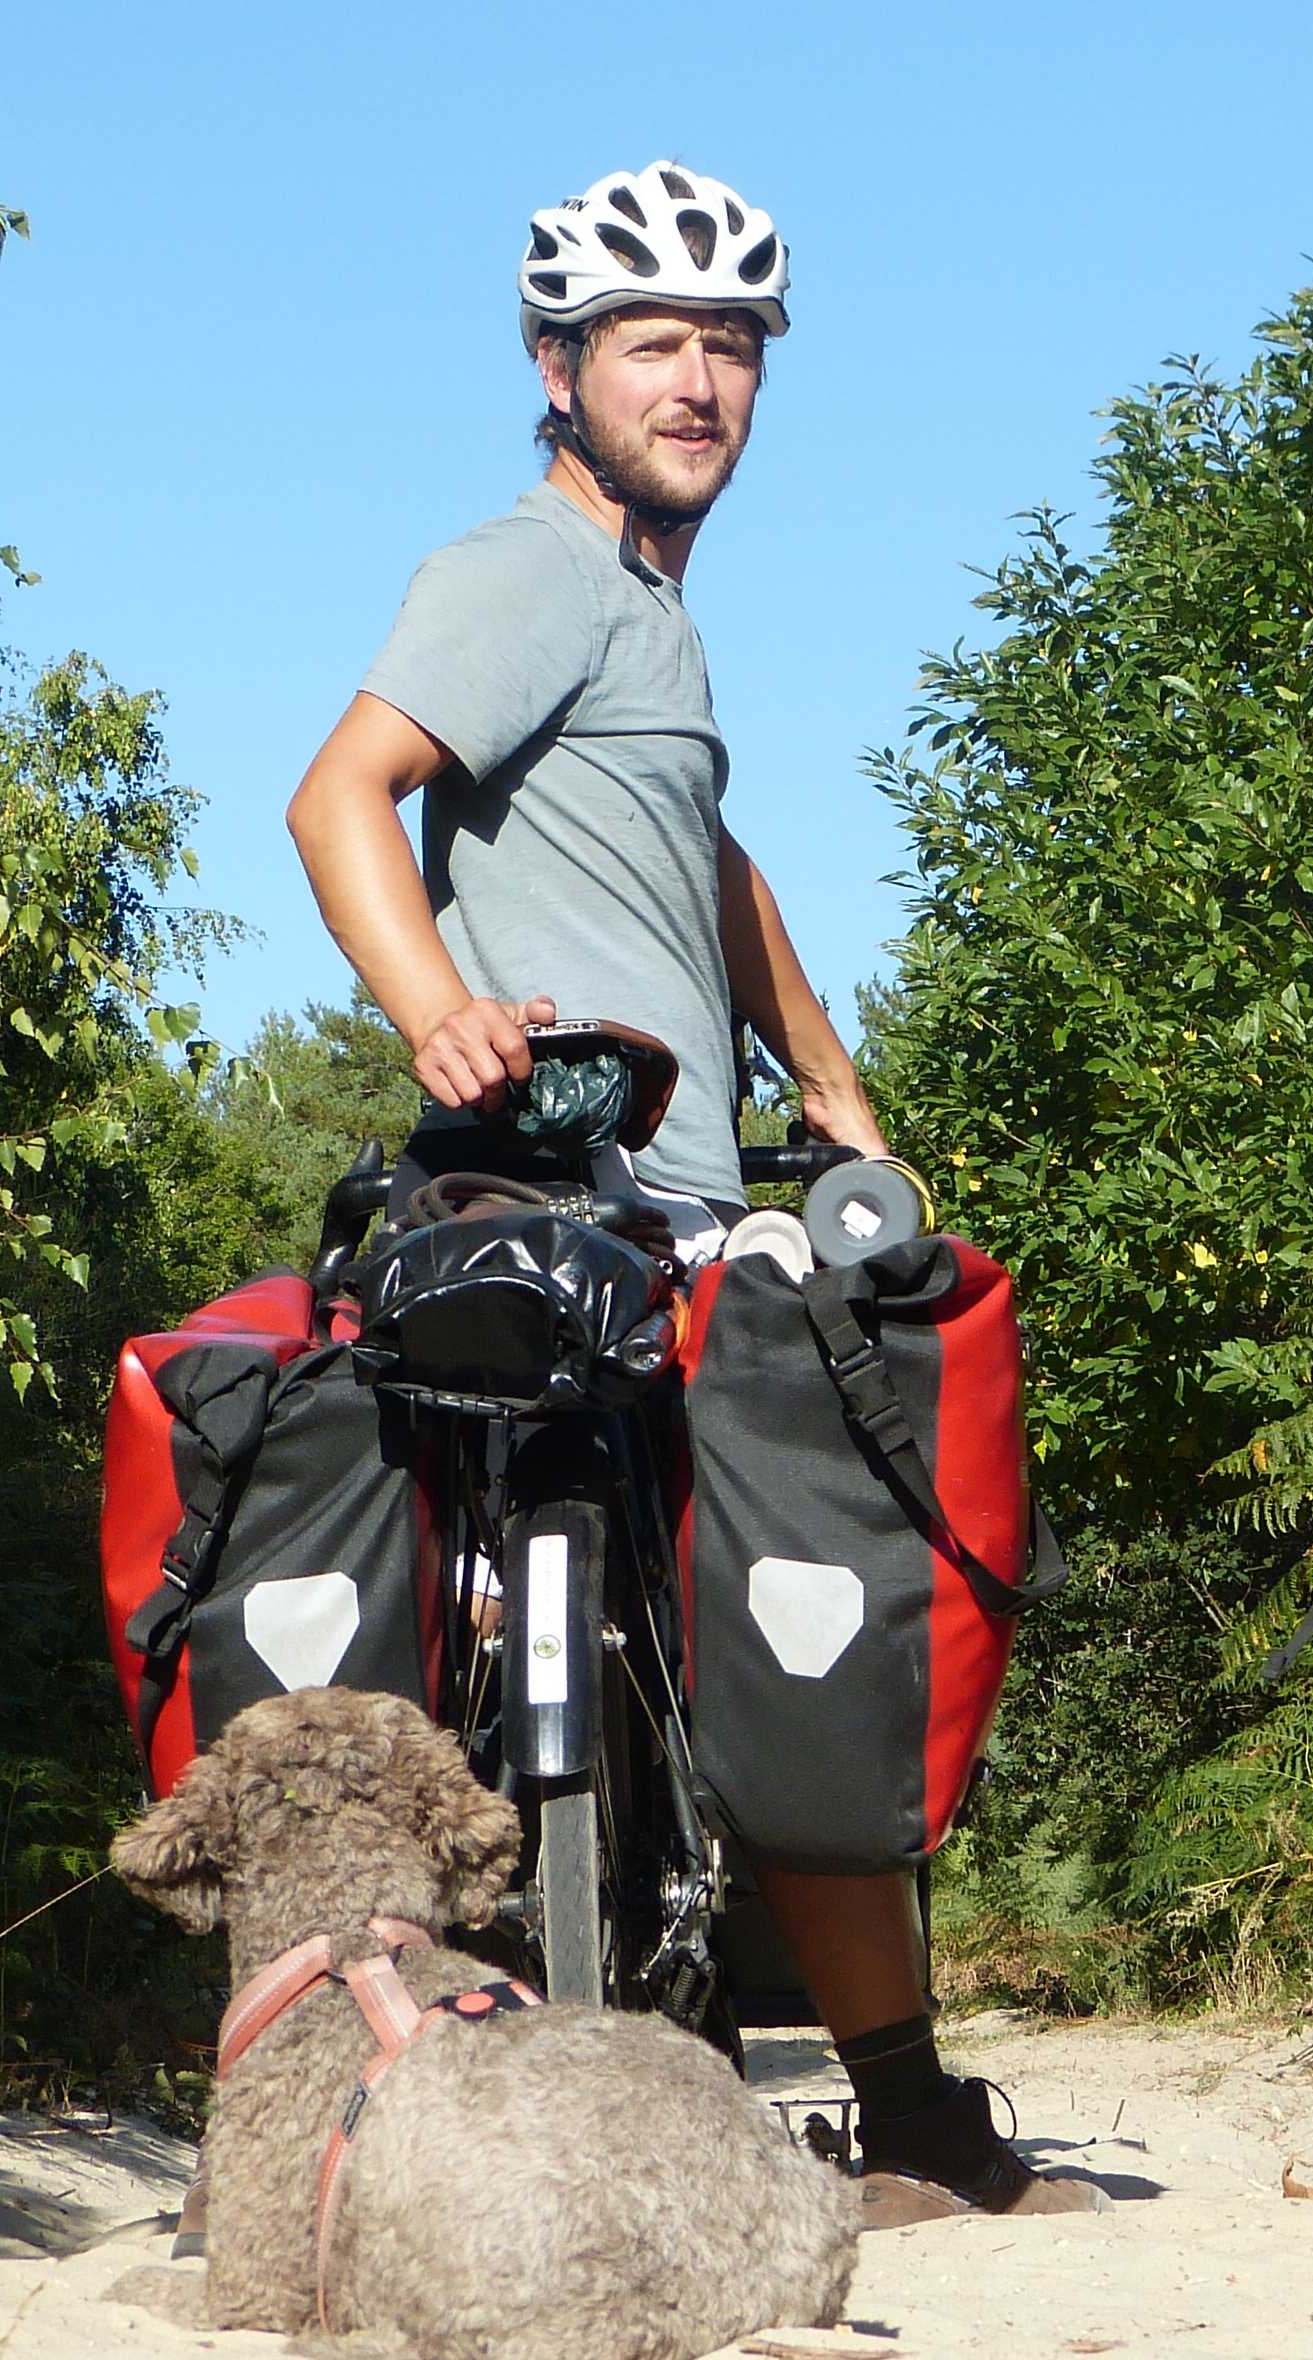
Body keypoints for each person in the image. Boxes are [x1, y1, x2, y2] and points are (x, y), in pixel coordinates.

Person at [281, 161, 1092, 2220]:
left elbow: (709, 873)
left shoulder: (650, 619)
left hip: (675, 1192)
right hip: (548, 1184)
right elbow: (337, 788)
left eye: (731, 344)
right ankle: (885, 2106)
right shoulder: (528, 572)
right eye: (654, 340)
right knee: (759, 1575)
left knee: (769, 1609)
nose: (700, 378)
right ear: (556, 371)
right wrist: (435, 1007)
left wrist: (827, 1083)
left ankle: (886, 2106)